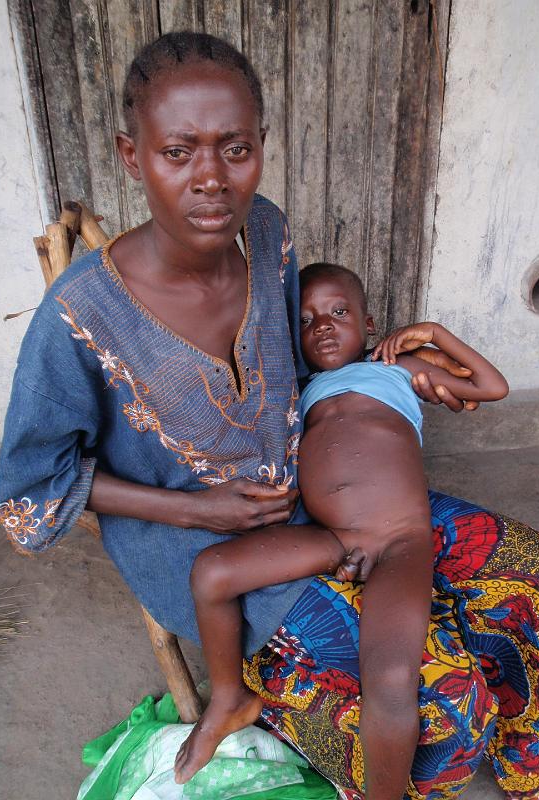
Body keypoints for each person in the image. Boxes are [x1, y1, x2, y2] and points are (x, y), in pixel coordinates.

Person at [0, 31, 539, 800]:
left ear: (261, 146)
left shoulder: (267, 233)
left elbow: (292, 365)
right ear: (134, 157)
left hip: (322, 495)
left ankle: (492, 721)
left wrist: (384, 376)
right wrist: (197, 512)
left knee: (528, 564)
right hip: (201, 546)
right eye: (178, 152)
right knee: (439, 718)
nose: (211, 180)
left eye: (234, 149)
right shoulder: (79, 319)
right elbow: (32, 491)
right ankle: (294, 699)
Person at [174, 262, 509, 790]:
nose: (323, 326)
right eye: (306, 320)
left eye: (338, 311)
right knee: (212, 573)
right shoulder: (298, 392)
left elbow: (492, 386)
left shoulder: (398, 370)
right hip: (337, 538)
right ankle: (228, 697)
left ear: (369, 323)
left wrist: (434, 334)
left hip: (399, 540)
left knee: (392, 676)